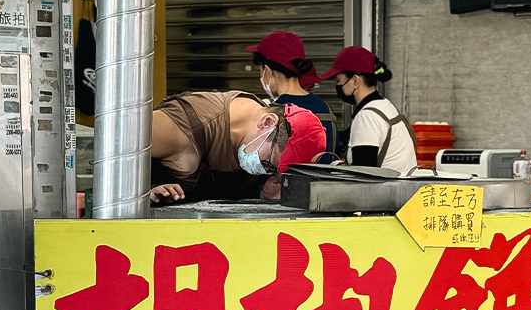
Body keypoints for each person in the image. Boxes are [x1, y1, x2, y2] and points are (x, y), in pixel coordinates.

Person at [150, 90, 326, 203]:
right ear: (267, 122)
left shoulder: (252, 138)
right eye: (269, 165)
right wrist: (144, 194)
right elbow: (122, 144)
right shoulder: (182, 127)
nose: (266, 171)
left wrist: (261, 194)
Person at [320, 46, 417, 174]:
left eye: (339, 81)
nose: (337, 86)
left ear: (355, 81)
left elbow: (363, 175)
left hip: (384, 192)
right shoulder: (384, 106)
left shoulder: (366, 117)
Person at [245, 31, 336, 159]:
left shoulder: (272, 114)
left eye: (260, 70)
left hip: (285, 180)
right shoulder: (324, 108)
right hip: (323, 179)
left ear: (267, 71)